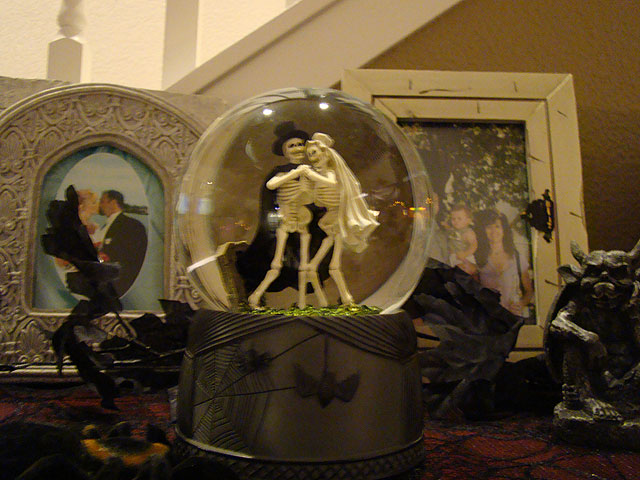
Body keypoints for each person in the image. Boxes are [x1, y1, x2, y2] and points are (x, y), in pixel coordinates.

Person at [300, 132, 379, 305]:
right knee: (317, 265)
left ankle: (346, 298)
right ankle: (331, 300)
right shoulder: (318, 177)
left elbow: (332, 183)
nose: (312, 158)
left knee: (334, 265)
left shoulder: (329, 173)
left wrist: (311, 175)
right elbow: (314, 199)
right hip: (330, 218)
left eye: (314, 153)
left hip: (338, 218)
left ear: (326, 153)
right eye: (309, 155)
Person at [475, 209, 533, 317]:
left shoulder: (517, 258)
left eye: (497, 226)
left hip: (512, 317)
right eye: (489, 227)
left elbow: (529, 291)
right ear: (484, 230)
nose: (493, 231)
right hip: (489, 319)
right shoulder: (477, 258)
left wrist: (521, 304)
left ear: (504, 230)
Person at [96, 190, 148, 297]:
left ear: (113, 203)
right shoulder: (106, 226)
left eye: (102, 201)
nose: (100, 205)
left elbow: (132, 258)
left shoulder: (131, 226)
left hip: (118, 284)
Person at [446, 203, 477, 275]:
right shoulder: (454, 230)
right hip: (454, 257)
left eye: (459, 219)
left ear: (468, 220)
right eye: (453, 219)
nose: (456, 221)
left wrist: (465, 254)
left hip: (465, 257)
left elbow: (474, 245)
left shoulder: (468, 232)